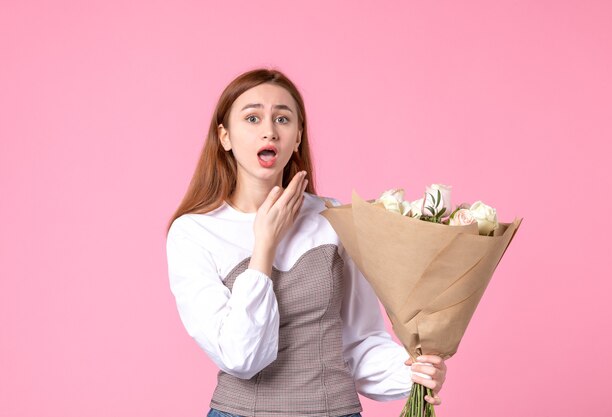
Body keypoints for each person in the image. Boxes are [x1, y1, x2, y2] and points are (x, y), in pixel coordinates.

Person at [165, 68, 447, 417]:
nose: (269, 130)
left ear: (297, 136)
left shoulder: (334, 219)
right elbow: (241, 358)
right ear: (225, 136)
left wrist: (414, 375)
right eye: (252, 118)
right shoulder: (193, 233)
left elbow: (360, 341)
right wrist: (264, 245)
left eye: (282, 119)